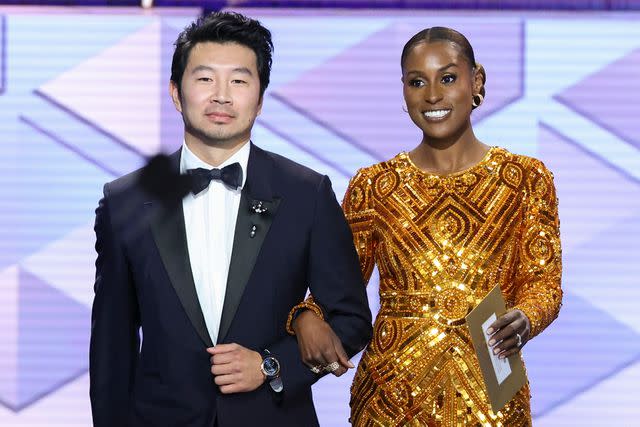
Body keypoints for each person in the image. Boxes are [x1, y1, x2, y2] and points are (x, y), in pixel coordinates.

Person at [89, 11, 372, 427]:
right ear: (175, 91)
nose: (221, 96)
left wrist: (272, 366)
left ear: (259, 99)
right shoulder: (125, 201)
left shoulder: (306, 193)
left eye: (239, 81)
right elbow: (111, 347)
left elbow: (351, 320)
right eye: (204, 79)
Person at [289, 26, 562, 426]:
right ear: (403, 91)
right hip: (391, 397)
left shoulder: (525, 178)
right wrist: (306, 315)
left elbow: (544, 285)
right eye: (417, 82)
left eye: (448, 78)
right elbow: (339, 285)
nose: (432, 95)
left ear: (477, 80)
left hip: (492, 393)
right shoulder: (374, 186)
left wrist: (526, 317)